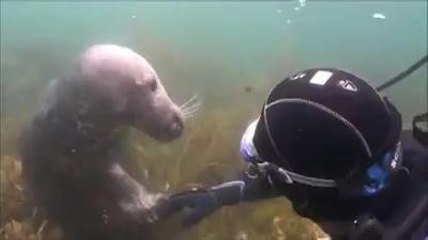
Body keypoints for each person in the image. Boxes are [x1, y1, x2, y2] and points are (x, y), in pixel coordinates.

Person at [158, 68, 428, 240]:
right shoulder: (404, 153)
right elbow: (321, 180)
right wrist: (226, 193)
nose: (263, 179)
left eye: (266, 172)